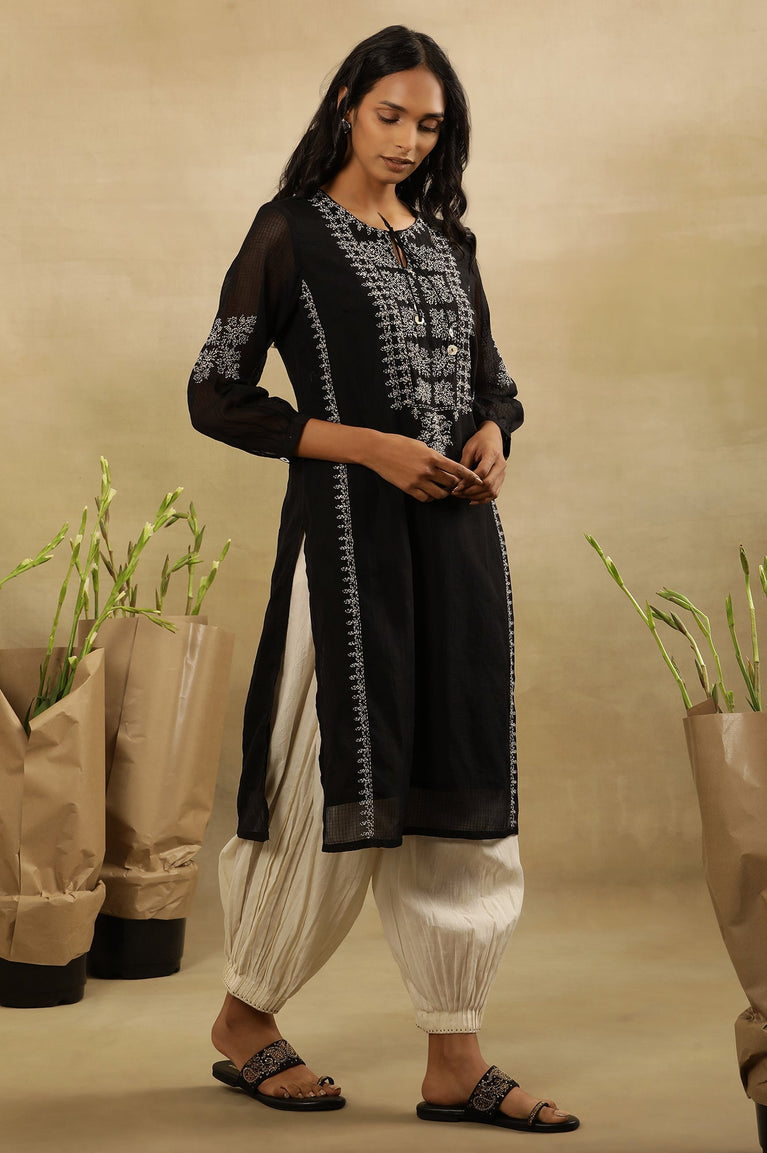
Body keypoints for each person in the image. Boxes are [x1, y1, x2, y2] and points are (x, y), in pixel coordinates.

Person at [188, 24, 578, 1134]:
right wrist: (365, 446)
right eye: (390, 115)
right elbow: (216, 393)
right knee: (330, 778)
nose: (408, 140)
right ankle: (245, 1015)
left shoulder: (450, 245)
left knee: (458, 780)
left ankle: (455, 1056)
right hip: (349, 552)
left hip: (456, 549)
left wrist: (493, 432)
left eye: (428, 125)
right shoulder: (290, 234)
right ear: (347, 106)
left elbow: (493, 381)